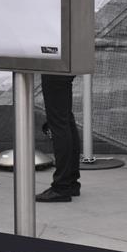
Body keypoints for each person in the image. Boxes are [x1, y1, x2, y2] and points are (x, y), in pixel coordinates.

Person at [35, 74, 81, 203]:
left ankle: (62, 186)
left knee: (58, 122)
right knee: (65, 119)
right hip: (66, 64)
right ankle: (71, 181)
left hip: (56, 65)